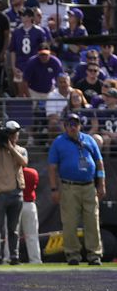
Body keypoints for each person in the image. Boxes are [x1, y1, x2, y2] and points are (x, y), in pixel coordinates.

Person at [47, 113, 105, 265]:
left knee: (92, 221)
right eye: (70, 124)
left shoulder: (89, 140)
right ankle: (72, 254)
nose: (73, 127)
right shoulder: (58, 142)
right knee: (70, 222)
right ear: (65, 126)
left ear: (80, 125)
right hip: (69, 187)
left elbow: (99, 163)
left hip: (89, 187)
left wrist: (101, 184)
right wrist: (54, 189)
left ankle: (94, 255)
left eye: (76, 124)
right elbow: (52, 168)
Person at [0, 120, 28, 265]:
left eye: (15, 134)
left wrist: (10, 147)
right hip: (0, 192)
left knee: (14, 229)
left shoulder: (21, 150)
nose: (14, 136)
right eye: (11, 134)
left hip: (16, 193)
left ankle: (14, 257)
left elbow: (23, 162)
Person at [20, 166, 42, 264]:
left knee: (12, 234)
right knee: (32, 235)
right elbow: (35, 185)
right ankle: (35, 259)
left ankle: (9, 258)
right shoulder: (33, 172)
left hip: (15, 204)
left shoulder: (11, 172)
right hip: (29, 204)